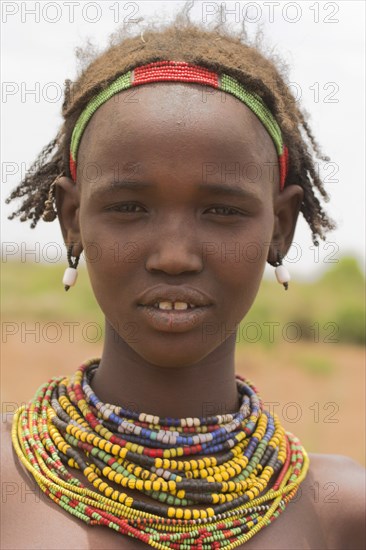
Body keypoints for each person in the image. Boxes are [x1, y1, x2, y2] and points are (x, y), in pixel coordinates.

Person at [2, 8, 365, 550]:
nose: (174, 257)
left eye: (222, 212)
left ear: (280, 228)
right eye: (128, 207)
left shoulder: (339, 515)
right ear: (72, 221)